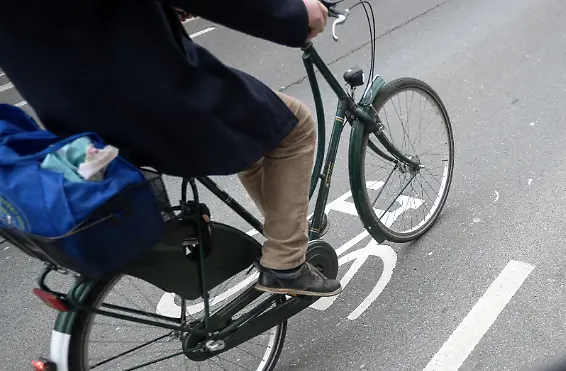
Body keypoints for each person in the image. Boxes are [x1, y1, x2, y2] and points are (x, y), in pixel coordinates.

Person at [0, 0, 343, 297]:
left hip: (79, 124)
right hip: (158, 99)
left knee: (258, 130)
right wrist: (295, 14)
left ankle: (284, 226)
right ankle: (285, 261)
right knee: (294, 126)